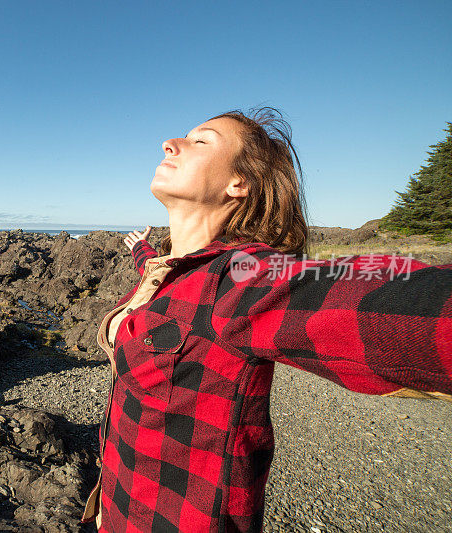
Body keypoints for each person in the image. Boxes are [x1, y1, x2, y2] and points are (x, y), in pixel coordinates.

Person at [80, 106, 452, 532]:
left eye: (201, 141)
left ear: (238, 183)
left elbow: (388, 308)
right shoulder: (176, 269)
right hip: (117, 507)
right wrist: (139, 250)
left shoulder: (240, 280)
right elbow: (161, 272)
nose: (171, 143)